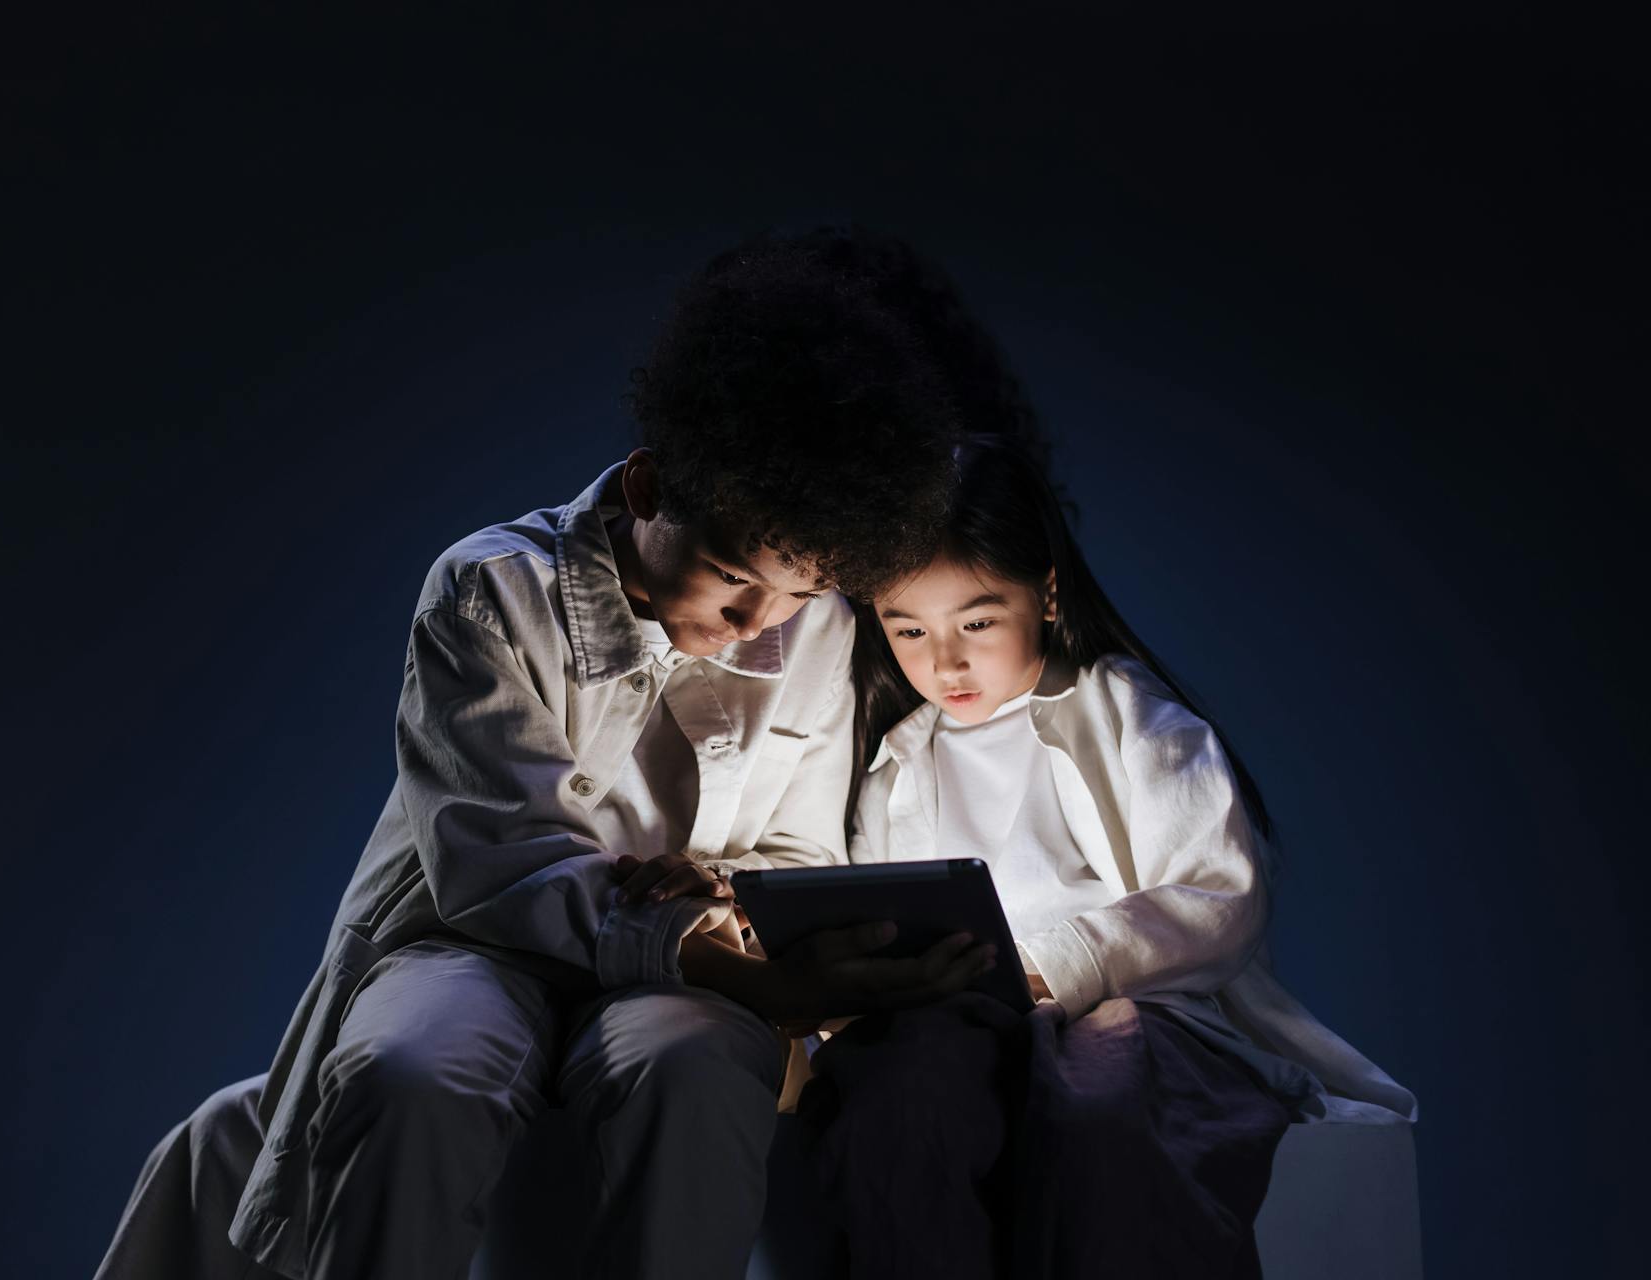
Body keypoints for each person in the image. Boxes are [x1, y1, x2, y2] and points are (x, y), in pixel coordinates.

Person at [94, 228, 1004, 1280]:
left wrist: (736, 894)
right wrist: (702, 949)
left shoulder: (818, 627)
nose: (761, 622)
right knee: (407, 1069)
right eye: (729, 578)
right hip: (468, 941)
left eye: (797, 592)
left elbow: (796, 844)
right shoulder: (488, 589)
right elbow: (501, 864)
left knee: (700, 1070)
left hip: (693, 962)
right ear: (652, 485)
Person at [784, 431, 1418, 1278]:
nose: (946, 661)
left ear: (1045, 594)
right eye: (908, 630)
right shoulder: (899, 758)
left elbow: (1216, 895)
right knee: (901, 1104)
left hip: (1142, 1004)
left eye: (978, 620)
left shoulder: (1123, 710)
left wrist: (1055, 966)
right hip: (971, 1015)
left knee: (1100, 1110)